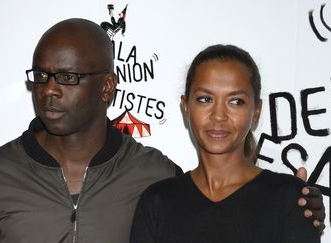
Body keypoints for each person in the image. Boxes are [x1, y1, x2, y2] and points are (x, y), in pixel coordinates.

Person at [0, 19, 324, 243]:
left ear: (106, 88)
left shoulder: (154, 178)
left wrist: (294, 201)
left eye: (68, 77)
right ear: (186, 106)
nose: (50, 89)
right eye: (41, 76)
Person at [130, 44, 321, 243]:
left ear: (256, 111)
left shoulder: (290, 199)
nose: (219, 115)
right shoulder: (158, 201)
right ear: (186, 107)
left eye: (236, 101)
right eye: (205, 99)